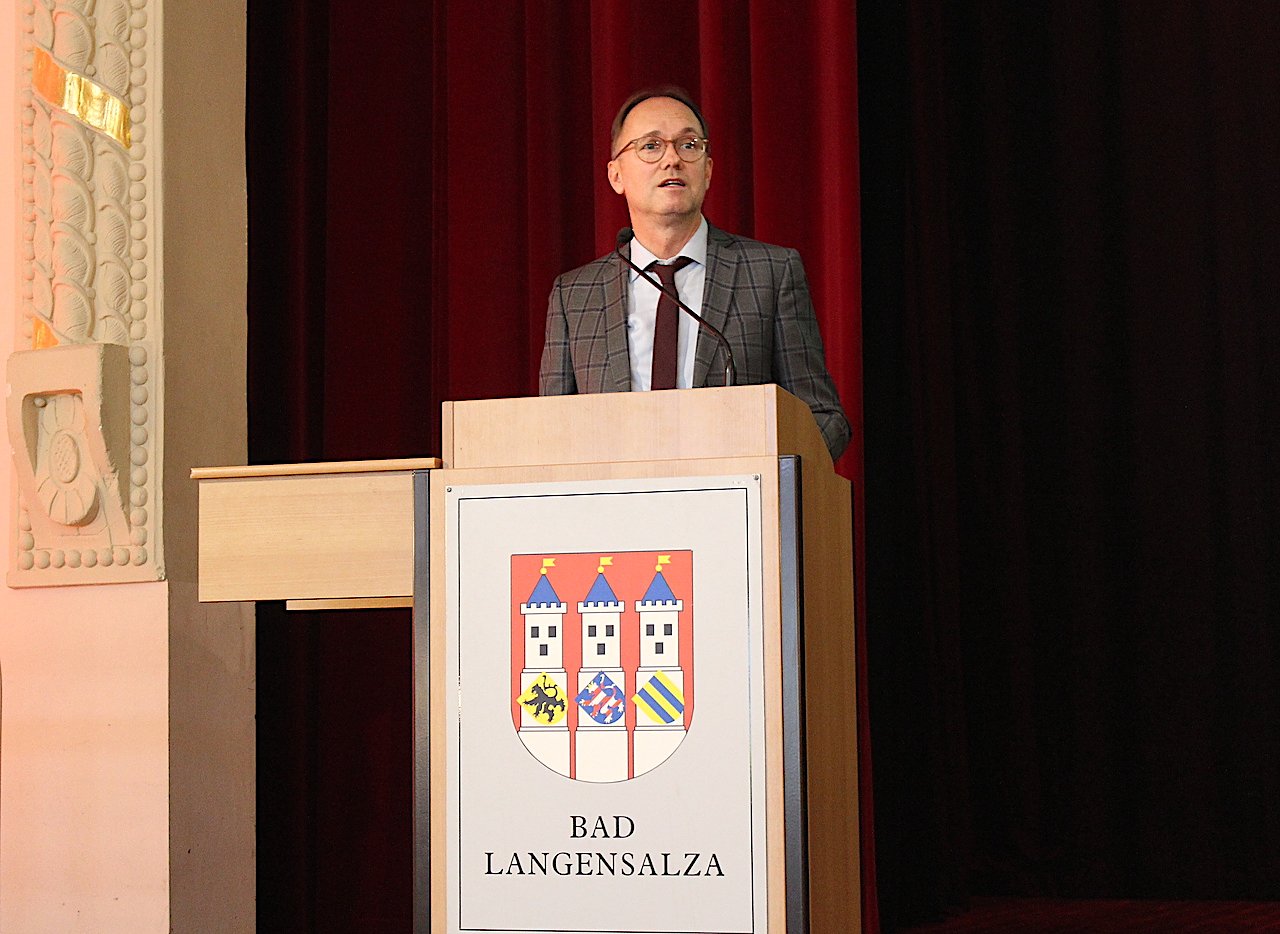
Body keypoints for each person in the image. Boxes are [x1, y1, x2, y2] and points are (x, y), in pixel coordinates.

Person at [539, 86, 851, 461]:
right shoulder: (575, 295)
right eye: (651, 146)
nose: (672, 159)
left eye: (689, 145)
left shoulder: (770, 274)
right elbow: (550, 433)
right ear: (616, 175)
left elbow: (823, 418)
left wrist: (772, 474)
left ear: (707, 170)